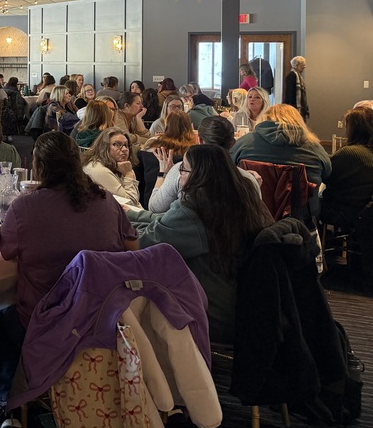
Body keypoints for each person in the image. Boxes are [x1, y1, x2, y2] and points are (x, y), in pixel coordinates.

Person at [0, 132, 138, 414]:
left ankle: (8, 400)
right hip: (101, 315)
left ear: (39, 166)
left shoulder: (25, 207)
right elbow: (131, 248)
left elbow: (6, 251)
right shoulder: (106, 201)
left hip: (45, 320)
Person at [126, 145, 273, 343]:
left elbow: (141, 245)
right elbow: (164, 221)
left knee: (129, 306)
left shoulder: (196, 207)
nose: (179, 178)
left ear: (199, 174)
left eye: (183, 170)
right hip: (242, 304)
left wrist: (112, 223)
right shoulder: (241, 198)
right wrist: (129, 214)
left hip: (210, 315)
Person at [148, 115, 261, 215]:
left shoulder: (181, 171)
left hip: (189, 236)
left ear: (199, 140)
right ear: (233, 143)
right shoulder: (248, 180)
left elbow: (155, 208)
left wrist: (163, 173)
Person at [231, 103, 331, 189]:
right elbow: (328, 175)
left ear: (264, 118)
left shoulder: (244, 143)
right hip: (304, 210)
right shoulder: (314, 148)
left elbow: (226, 168)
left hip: (253, 208)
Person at [322, 106, 373, 230]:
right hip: (367, 215)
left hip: (345, 213)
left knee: (309, 205)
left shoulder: (349, 153)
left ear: (353, 129)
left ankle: (316, 246)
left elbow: (325, 175)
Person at [83, 127, 141, 207]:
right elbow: (130, 202)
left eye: (126, 145)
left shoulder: (119, 164)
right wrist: (129, 174)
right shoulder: (98, 169)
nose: (124, 149)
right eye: (117, 145)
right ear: (104, 147)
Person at [284, 55, 309, 121]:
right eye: (302, 64)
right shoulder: (292, 76)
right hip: (294, 109)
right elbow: (290, 94)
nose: (304, 66)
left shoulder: (299, 77)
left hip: (299, 109)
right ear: (296, 65)